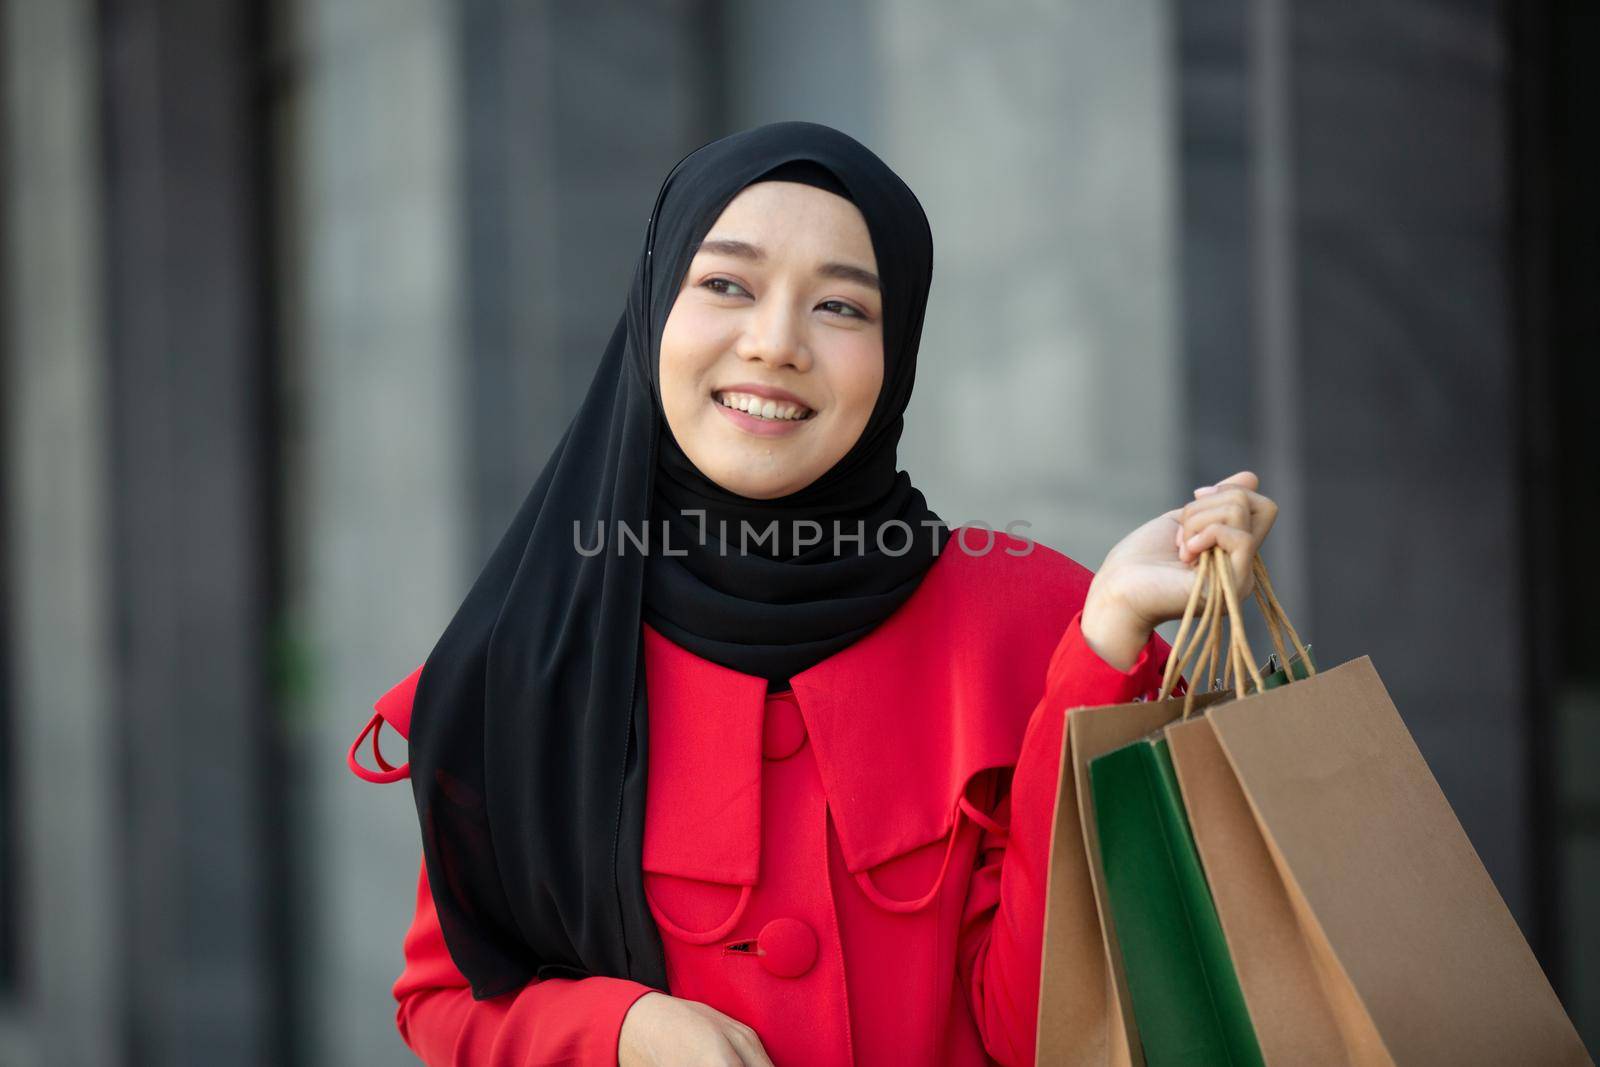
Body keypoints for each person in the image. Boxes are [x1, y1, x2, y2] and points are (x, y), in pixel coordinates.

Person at [346, 121, 1279, 1066]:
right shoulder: (540, 644)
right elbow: (445, 1002)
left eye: (841, 307)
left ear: (899, 349)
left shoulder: (1040, 628)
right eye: (724, 284)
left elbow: (1043, 1029)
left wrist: (1112, 634)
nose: (776, 343)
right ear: (654, 306)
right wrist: (620, 1032)